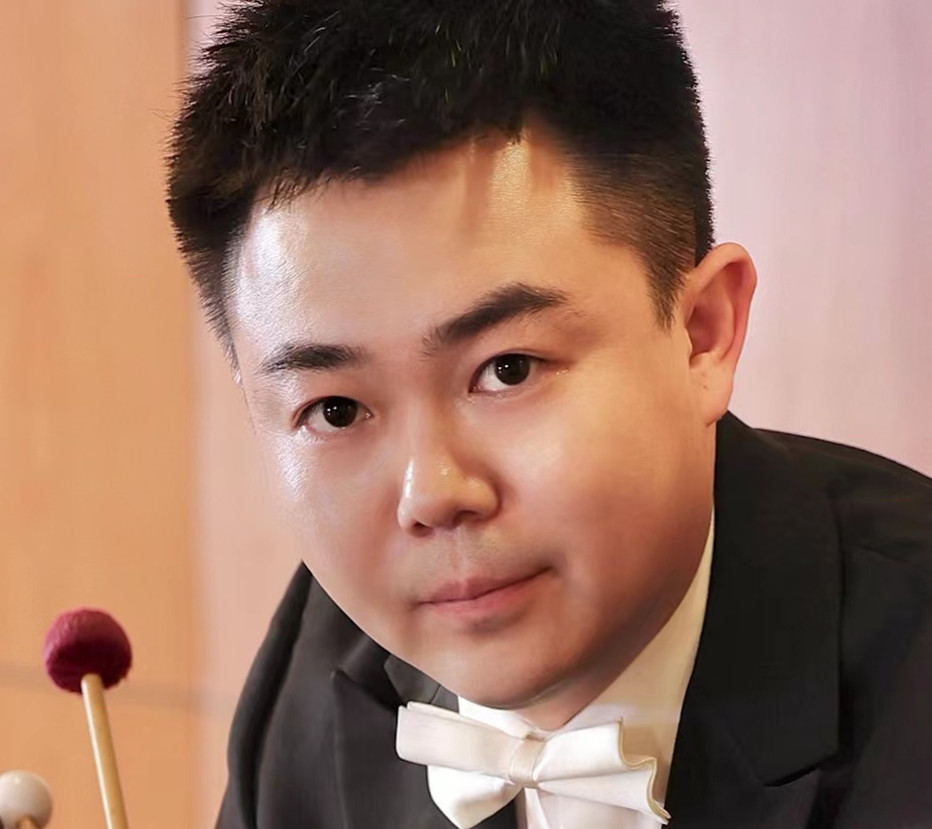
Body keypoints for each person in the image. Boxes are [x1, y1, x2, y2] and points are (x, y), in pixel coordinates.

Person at [166, 1, 932, 827]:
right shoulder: (323, 663)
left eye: (507, 369)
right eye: (337, 409)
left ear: (702, 333)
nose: (433, 494)